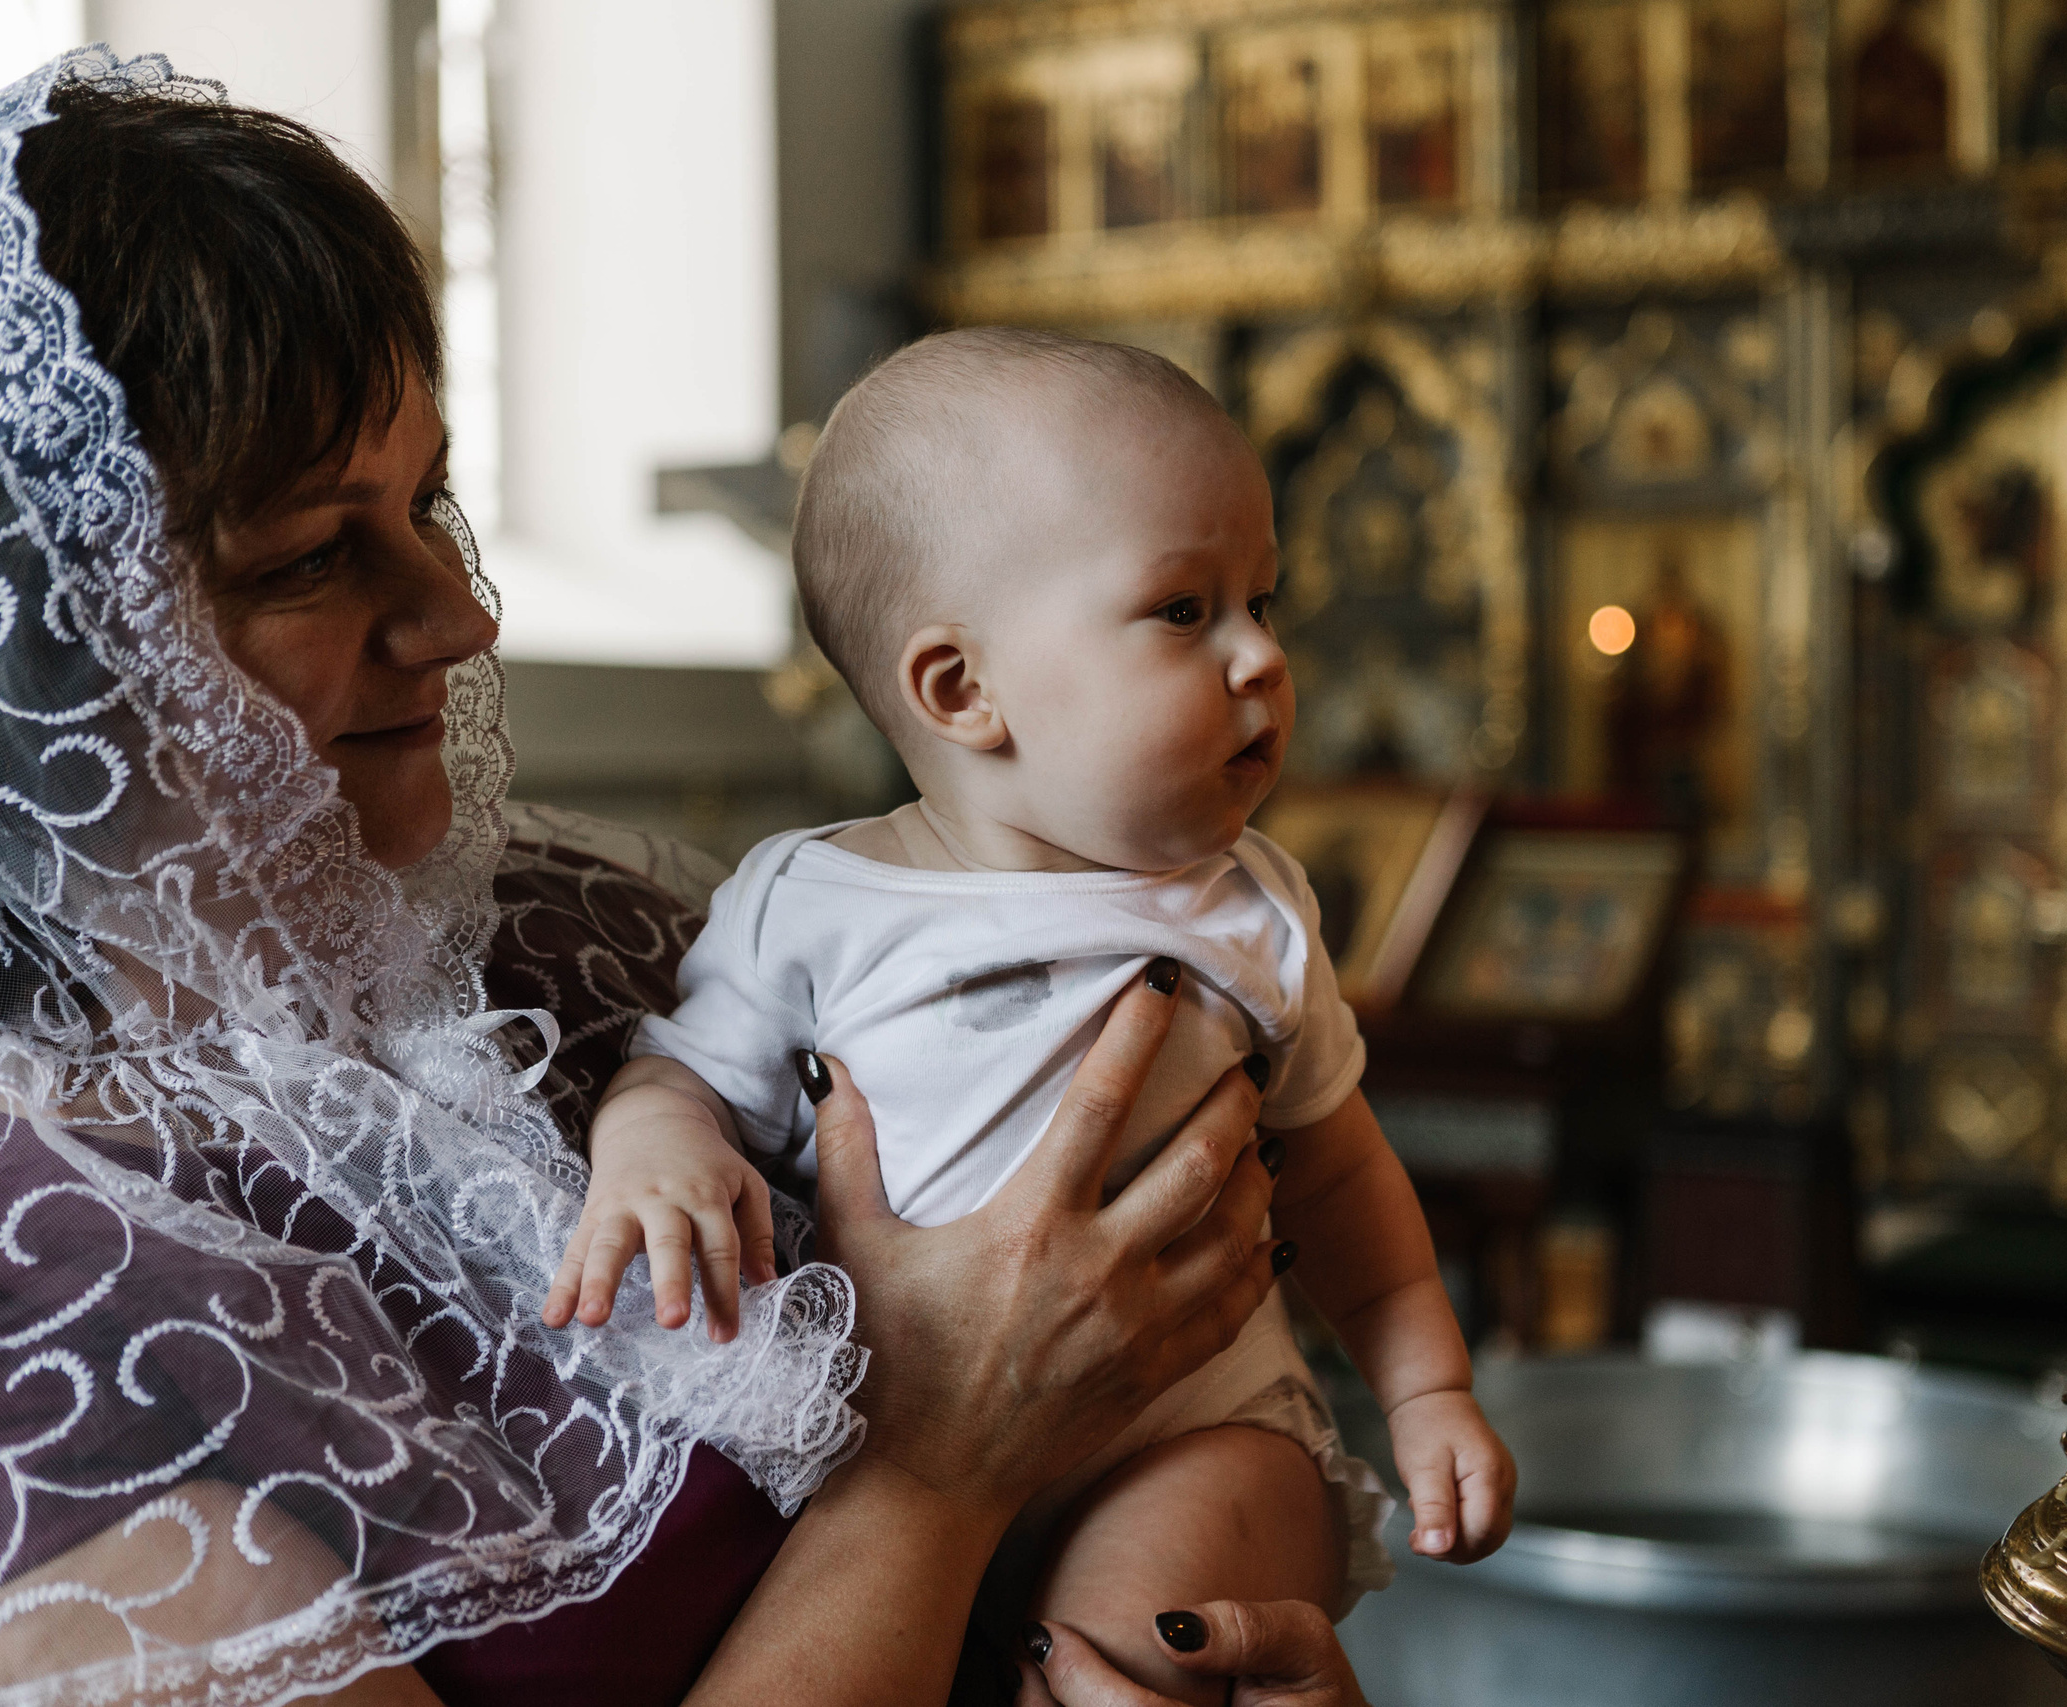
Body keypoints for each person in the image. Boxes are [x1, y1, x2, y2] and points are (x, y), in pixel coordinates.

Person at [0, 50, 1368, 1706]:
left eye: (431, 499)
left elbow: (1201, 1394)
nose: (462, 616)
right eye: (310, 555)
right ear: (19, 657)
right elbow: (991, 1420)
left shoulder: (604, 946)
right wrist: (941, 1465)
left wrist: (1225, 1651)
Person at [547, 328, 1517, 1702]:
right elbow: (681, 1076)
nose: (1261, 658)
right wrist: (658, 1150)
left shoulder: (1249, 908)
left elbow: (1343, 1163)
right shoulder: (812, 901)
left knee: (1123, 1668)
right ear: (962, 690)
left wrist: (1426, 1390)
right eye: (1186, 611)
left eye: (1264, 602)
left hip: (1190, 1434)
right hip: (884, 1440)